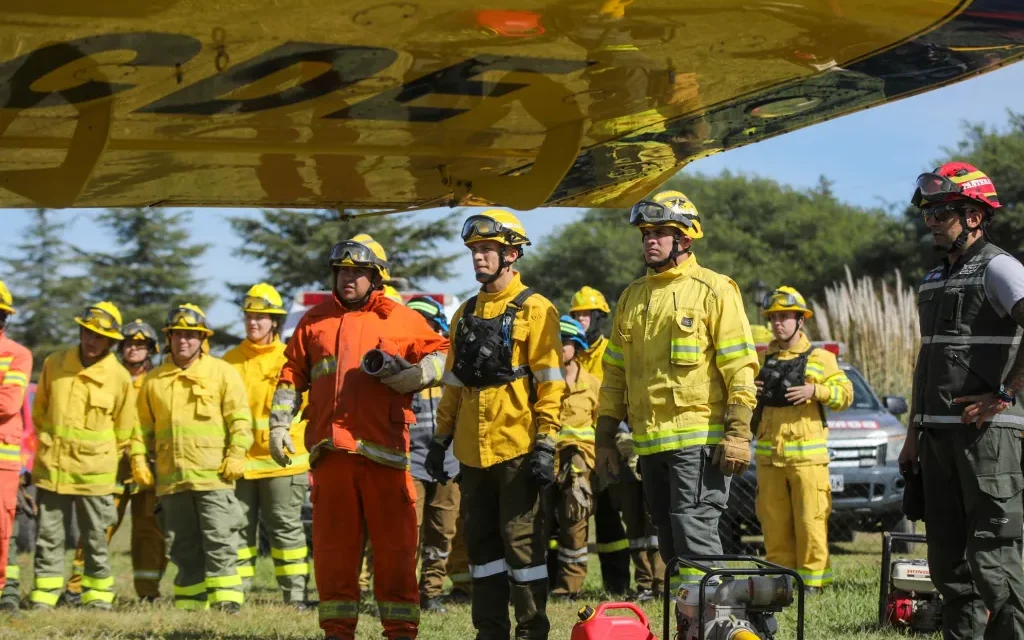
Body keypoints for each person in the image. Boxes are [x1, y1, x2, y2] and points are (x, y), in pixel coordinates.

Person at [268, 234, 448, 640]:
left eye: (357, 272)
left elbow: (446, 351)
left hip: (385, 456)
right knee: (333, 555)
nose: (347, 279)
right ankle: (337, 631)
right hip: (331, 457)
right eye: (342, 272)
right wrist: (279, 423)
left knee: (396, 555)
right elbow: (291, 374)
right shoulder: (313, 321)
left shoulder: (400, 317)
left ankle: (400, 631)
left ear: (376, 277)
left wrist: (420, 374)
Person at [595, 189, 758, 594]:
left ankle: (722, 626)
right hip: (650, 446)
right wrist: (604, 439)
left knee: (695, 541)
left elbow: (740, 366)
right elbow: (614, 374)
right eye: (646, 232)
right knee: (670, 546)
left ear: (685, 239)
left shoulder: (714, 290)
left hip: (698, 443)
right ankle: (694, 623)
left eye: (661, 232)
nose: (650, 239)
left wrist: (738, 431)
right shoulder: (631, 298)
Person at [426, 210, 566, 640]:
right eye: (475, 251)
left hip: (517, 450)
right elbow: (452, 384)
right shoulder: (465, 312)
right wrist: (439, 440)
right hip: (471, 452)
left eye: (487, 250)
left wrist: (545, 444)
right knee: (482, 550)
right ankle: (490, 632)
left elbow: (551, 385)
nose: (478, 258)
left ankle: (530, 631)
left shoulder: (538, 309)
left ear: (512, 254)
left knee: (522, 546)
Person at [899, 161, 1024, 639]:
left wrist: (1004, 394)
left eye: (942, 212)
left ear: (974, 215)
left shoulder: (1000, 266)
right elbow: (926, 361)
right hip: (935, 440)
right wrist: (912, 435)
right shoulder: (933, 278)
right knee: (949, 569)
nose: (931, 220)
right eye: (928, 212)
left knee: (995, 562)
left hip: (988, 440)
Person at [131, 303, 253, 613]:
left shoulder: (222, 372)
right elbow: (141, 429)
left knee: (221, 542)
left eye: (191, 335)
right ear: (169, 338)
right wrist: (138, 460)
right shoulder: (154, 381)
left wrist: (237, 455)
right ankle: (190, 605)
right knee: (182, 548)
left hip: (215, 477)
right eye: (178, 335)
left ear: (202, 339)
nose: (184, 341)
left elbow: (240, 420)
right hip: (173, 482)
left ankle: (227, 602)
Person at [30, 302, 136, 609]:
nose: (91, 341)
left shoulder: (118, 376)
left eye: (99, 337)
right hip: (54, 469)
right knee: (48, 538)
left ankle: (98, 597)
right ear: (80, 331)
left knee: (94, 539)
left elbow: (124, 428)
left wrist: (100, 456)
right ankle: (43, 597)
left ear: (111, 341)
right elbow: (40, 414)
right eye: (87, 333)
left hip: (96, 474)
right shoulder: (55, 363)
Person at [754, 287, 852, 594]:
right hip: (770, 459)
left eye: (785, 317)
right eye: (774, 318)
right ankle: (780, 584)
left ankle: (813, 585)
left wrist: (816, 391)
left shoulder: (821, 358)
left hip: (808, 461)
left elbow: (845, 395)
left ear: (800, 321)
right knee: (774, 525)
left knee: (811, 523)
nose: (778, 323)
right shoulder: (762, 358)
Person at [223, 283, 311, 607]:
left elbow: (307, 407)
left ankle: (296, 596)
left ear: (274, 321)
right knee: (238, 532)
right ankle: (234, 595)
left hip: (284, 462)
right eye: (249, 316)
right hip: (242, 464)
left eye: (260, 317)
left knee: (286, 530)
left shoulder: (290, 358)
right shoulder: (229, 361)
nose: (253, 323)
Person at [568, 286, 631, 594]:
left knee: (608, 517)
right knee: (567, 518)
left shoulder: (610, 351)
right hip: (574, 453)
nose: (581, 321)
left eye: (586, 315)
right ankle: (562, 583)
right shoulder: (569, 352)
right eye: (576, 314)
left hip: (605, 446)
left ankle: (617, 584)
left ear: (598, 318)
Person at [405, 295, 460, 614]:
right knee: (408, 530)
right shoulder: (399, 365)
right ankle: (405, 592)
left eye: (425, 322)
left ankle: (432, 592)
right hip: (410, 460)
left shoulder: (451, 362)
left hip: (448, 461)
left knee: (442, 530)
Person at [547, 316, 597, 600]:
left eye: (565, 343)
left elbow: (601, 425)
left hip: (579, 464)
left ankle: (570, 587)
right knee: (537, 524)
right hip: (544, 460)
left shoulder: (592, 385)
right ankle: (537, 583)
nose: (560, 348)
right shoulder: (541, 380)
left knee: (575, 525)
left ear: (576, 346)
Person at [0, 281, 31, 613]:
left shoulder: (16, 354)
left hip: (2, 463)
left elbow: (8, 404)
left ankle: (5, 592)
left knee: (1, 529)